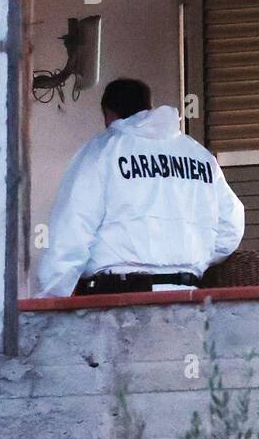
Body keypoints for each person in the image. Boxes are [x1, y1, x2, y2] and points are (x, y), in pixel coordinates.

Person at [36, 78, 245, 296]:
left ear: (108, 114)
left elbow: (72, 230)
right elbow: (231, 227)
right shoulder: (199, 156)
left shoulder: (102, 151)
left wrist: (50, 300)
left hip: (119, 298)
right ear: (148, 107)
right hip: (187, 296)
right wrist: (193, 258)